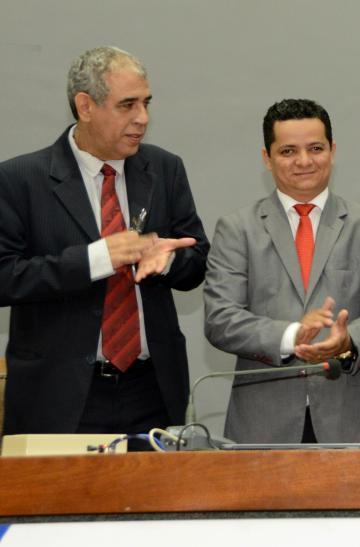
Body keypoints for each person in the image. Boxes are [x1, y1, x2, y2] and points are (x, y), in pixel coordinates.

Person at [0, 46, 208, 440]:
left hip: (153, 391)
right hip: (61, 397)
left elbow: (196, 260)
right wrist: (96, 258)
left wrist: (165, 262)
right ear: (85, 106)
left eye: (146, 103)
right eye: (127, 105)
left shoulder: (164, 169)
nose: (142, 119)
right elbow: (4, 276)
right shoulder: (19, 179)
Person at [204, 99, 360, 444]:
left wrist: (348, 341)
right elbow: (221, 318)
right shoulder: (237, 229)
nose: (304, 162)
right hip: (262, 423)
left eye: (315, 148)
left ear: (333, 150)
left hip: (350, 417)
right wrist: (293, 335)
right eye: (288, 151)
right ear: (266, 158)